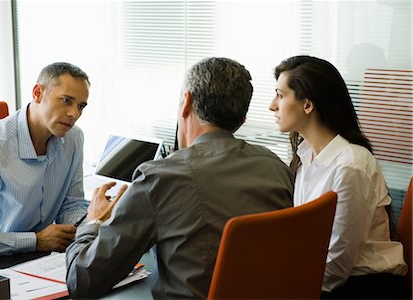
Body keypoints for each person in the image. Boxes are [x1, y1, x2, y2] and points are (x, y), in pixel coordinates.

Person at [66, 57, 294, 299]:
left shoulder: (163, 177)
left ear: (186, 102)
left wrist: (93, 223)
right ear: (241, 119)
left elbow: (82, 280)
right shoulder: (275, 166)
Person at [269, 55, 408, 299]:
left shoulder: (351, 165)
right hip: (332, 280)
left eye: (280, 95)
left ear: (307, 105)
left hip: (366, 285)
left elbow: (338, 264)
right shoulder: (306, 156)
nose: (272, 105)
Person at [0, 62, 90, 259]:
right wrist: (35, 241)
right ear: (38, 93)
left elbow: (71, 205)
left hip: (45, 259)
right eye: (66, 100)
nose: (74, 113)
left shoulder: (73, 138)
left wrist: (92, 226)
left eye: (81, 106)